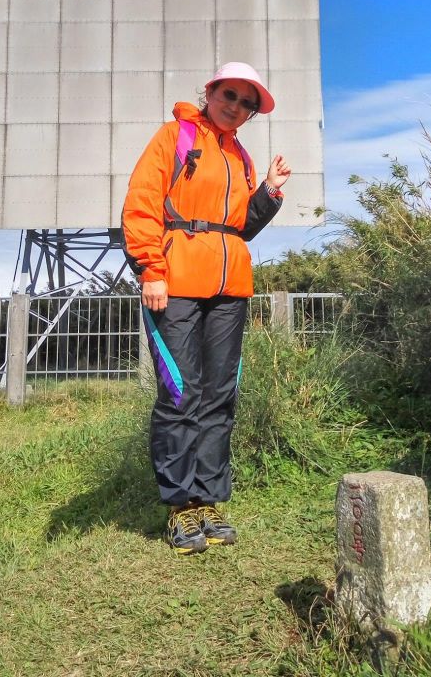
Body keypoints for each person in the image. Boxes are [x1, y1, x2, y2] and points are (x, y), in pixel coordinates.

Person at [122, 62, 292, 554]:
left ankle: (209, 500)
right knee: (180, 394)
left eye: (247, 103)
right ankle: (180, 508)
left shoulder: (241, 159)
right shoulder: (174, 137)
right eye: (230, 95)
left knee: (219, 395)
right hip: (173, 284)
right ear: (211, 91)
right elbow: (141, 203)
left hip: (230, 291)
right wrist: (150, 269)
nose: (237, 107)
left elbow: (237, 227)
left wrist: (270, 193)